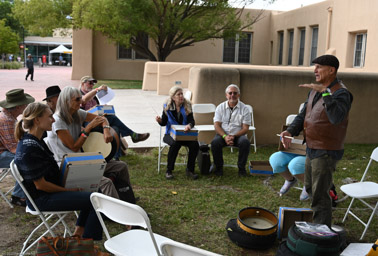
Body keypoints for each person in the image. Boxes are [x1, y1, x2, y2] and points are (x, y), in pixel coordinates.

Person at [280, 54, 353, 227]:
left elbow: (336, 118)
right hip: (311, 146)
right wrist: (290, 131)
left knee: (320, 194)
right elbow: (304, 114)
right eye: (315, 67)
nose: (315, 70)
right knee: (311, 188)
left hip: (327, 150)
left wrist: (326, 93)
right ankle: (319, 224)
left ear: (331, 70)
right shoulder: (314, 89)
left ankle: (321, 231)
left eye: (319, 66)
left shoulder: (342, 93)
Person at [14, 102, 102, 240]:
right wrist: (68, 191)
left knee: (95, 190)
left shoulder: (35, 141)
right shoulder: (29, 147)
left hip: (48, 193)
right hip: (42, 199)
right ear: (37, 120)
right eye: (50, 117)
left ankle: (78, 237)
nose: (54, 120)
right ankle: (87, 246)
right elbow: (41, 185)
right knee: (95, 199)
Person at [46, 86, 136, 203]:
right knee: (106, 182)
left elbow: (102, 118)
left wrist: (106, 129)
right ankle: (117, 212)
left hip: (81, 160)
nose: (81, 101)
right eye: (77, 99)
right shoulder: (58, 121)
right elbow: (74, 146)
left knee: (121, 166)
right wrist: (88, 128)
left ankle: (127, 198)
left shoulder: (77, 113)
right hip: (67, 166)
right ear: (67, 101)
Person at [79, 76, 149, 159]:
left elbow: (95, 109)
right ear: (83, 83)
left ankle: (116, 157)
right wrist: (97, 89)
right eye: (90, 83)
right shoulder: (78, 94)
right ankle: (133, 135)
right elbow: (84, 100)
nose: (92, 85)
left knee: (115, 128)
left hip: (99, 120)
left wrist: (102, 109)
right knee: (112, 118)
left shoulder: (94, 97)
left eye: (93, 83)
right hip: (87, 123)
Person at [155, 86, 199, 180]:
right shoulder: (168, 106)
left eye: (182, 94)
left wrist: (189, 126)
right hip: (170, 134)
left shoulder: (187, 105)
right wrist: (159, 120)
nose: (181, 96)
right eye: (178, 94)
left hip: (184, 134)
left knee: (195, 144)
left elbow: (192, 121)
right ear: (173, 97)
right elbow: (164, 123)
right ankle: (169, 171)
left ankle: (190, 170)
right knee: (175, 144)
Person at [0, 89, 35, 206]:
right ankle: (19, 196)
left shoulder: (9, 116)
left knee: (28, 157)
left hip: (4, 150)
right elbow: (14, 148)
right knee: (25, 160)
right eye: (25, 103)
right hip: (1, 154)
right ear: (18, 106)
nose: (26, 105)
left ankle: (21, 193)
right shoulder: (7, 120)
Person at [211, 84, 251, 177]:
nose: (232, 95)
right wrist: (225, 136)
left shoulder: (244, 109)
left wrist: (234, 136)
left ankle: (241, 169)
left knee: (245, 143)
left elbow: (245, 128)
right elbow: (217, 125)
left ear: (238, 95)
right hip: (223, 135)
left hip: (238, 135)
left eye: (235, 93)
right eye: (230, 93)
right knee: (215, 143)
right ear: (226, 95)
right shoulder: (220, 107)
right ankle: (218, 168)